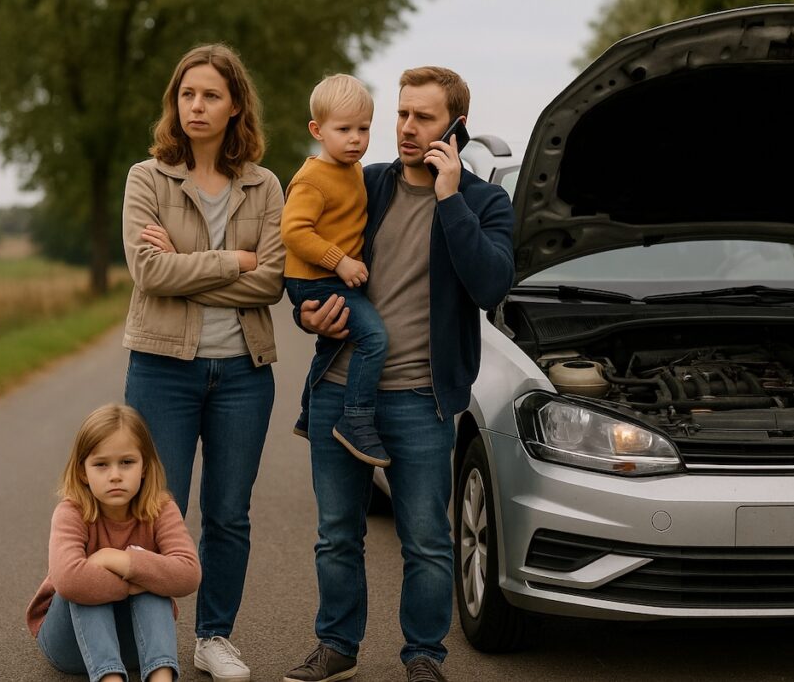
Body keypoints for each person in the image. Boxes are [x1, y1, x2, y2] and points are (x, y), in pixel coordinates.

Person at [284, 66, 515, 682]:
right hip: (338, 389)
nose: (407, 129)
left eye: (425, 117)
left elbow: (491, 284)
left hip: (421, 401)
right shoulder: (367, 183)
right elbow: (305, 252)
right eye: (402, 114)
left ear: (456, 127)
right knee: (337, 535)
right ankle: (336, 646)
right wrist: (307, 311)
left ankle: (423, 657)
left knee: (427, 542)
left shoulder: (485, 202)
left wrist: (449, 197)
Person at [121, 43, 285, 682]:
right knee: (156, 509)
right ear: (175, 102)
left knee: (228, 514)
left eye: (211, 94)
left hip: (245, 372)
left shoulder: (264, 184)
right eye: (187, 94)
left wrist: (189, 269)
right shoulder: (147, 177)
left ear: (235, 104)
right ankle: (151, 638)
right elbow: (148, 271)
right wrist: (231, 261)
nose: (197, 105)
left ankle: (214, 638)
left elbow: (269, 282)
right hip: (162, 366)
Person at [26, 404, 201, 682]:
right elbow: (70, 581)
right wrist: (140, 578)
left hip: (135, 646)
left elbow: (189, 575)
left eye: (127, 462)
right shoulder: (71, 511)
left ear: (144, 466)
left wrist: (113, 558)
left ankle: (161, 675)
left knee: (146, 576)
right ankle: (109, 678)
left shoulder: (160, 508)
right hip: (69, 646)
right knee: (89, 585)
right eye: (101, 464)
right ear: (83, 471)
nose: (115, 475)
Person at [282, 73, 391, 467]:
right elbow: (294, 232)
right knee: (374, 338)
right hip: (313, 278)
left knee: (333, 344)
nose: (355, 138)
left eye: (363, 129)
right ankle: (356, 419)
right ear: (318, 130)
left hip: (329, 277)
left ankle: (310, 414)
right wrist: (340, 261)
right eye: (343, 129)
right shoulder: (312, 179)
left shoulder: (355, 171)